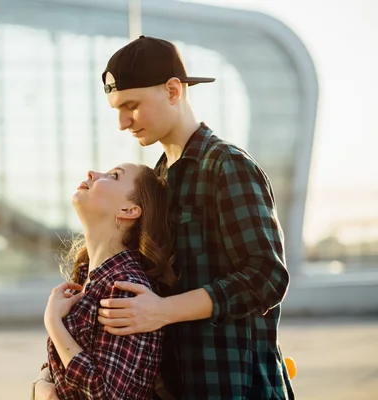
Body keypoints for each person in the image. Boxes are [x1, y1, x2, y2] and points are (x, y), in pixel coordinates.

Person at [95, 36, 295, 399]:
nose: (123, 123)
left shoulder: (226, 165)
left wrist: (164, 311)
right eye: (116, 109)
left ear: (173, 90)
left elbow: (267, 276)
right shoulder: (156, 178)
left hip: (234, 387)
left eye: (132, 105)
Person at [32, 163, 177, 400]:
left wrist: (53, 324)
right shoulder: (86, 278)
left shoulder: (124, 287)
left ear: (129, 210)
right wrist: (40, 386)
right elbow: (59, 369)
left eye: (113, 176)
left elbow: (107, 394)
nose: (91, 173)